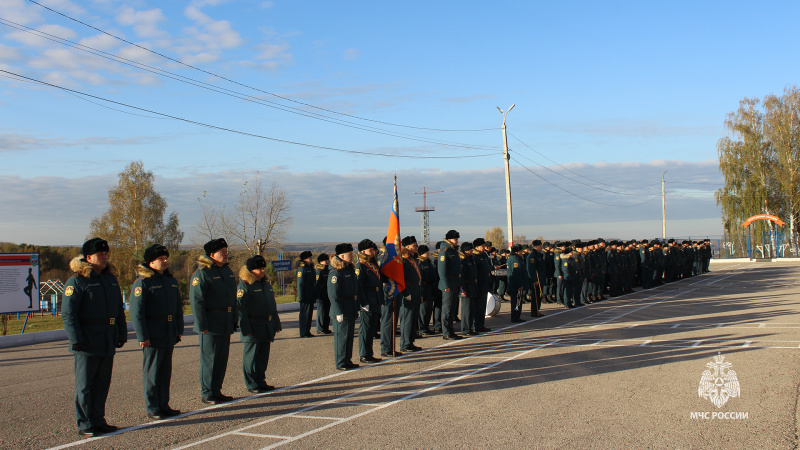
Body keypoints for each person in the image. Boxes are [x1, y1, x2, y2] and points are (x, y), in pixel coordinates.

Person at [62, 237, 127, 436]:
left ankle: (98, 419)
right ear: (88, 257)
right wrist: (76, 338)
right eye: (100, 254)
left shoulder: (110, 279)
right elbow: (68, 313)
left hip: (106, 338)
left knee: (102, 383)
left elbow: (118, 309)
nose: (104, 257)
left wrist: (121, 332)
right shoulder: (77, 281)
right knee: (85, 384)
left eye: (106, 253)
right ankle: (85, 423)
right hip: (87, 340)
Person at [130, 244, 184, 421]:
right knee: (152, 372)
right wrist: (142, 336)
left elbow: (178, 308)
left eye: (165, 258)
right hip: (153, 333)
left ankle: (163, 404)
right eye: (161, 259)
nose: (165, 261)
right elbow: (137, 312)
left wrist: (178, 329)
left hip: (168, 331)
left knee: (165, 371)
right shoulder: (143, 283)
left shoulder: (170, 281)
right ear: (151, 262)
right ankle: (153, 407)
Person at [190, 238, 237, 405]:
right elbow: (197, 302)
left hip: (225, 321)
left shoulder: (227, 271)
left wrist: (234, 319)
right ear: (211, 255)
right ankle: (207, 391)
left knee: (221, 358)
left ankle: (217, 390)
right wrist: (202, 324)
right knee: (210, 359)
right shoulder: (202, 273)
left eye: (226, 252)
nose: (225, 255)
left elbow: (233, 299)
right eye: (221, 252)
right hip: (210, 322)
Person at [237, 255, 282, 393]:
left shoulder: (265, 284)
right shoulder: (245, 286)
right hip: (253, 324)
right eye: (259, 269)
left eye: (263, 268)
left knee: (262, 355)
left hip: (266, 324)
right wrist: (245, 328)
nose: (262, 271)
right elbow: (241, 309)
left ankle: (260, 380)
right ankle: (251, 383)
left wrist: (276, 324)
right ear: (251, 270)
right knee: (252, 356)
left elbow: (272, 306)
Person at [328, 243, 360, 371]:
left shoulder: (349, 270)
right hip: (341, 308)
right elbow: (333, 295)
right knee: (342, 337)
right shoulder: (336, 273)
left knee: (349, 336)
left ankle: (347, 359)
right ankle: (341, 362)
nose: (351, 256)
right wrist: (338, 312)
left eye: (352, 253)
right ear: (341, 256)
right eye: (349, 254)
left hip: (350, 307)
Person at [355, 239, 382, 363]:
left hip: (375, 298)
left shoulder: (373, 263)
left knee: (372, 329)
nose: (373, 252)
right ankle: (364, 354)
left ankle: (369, 353)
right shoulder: (360, 265)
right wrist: (363, 303)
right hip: (367, 299)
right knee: (365, 328)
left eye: (373, 249)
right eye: (370, 250)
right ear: (363, 251)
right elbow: (359, 286)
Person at [438, 230, 463, 340]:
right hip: (448, 284)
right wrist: (445, 285)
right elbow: (442, 271)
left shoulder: (454, 251)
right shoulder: (445, 251)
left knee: (452, 308)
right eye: (455, 239)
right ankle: (446, 332)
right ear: (449, 240)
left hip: (455, 283)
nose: (457, 241)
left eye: (457, 239)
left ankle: (451, 330)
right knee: (447, 309)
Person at [400, 236, 423, 351]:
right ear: (407, 247)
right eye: (414, 245)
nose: (416, 247)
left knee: (413, 318)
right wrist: (406, 293)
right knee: (407, 318)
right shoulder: (403, 260)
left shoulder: (413, 259)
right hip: (408, 291)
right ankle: (405, 343)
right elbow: (402, 279)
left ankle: (410, 341)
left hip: (416, 290)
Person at [417, 245, 439, 335]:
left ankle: (426, 326)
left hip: (430, 288)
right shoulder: (419, 263)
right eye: (426, 252)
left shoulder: (428, 262)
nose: (428, 253)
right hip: (424, 289)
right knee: (423, 310)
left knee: (429, 310)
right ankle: (422, 328)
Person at [472, 238, 493, 332]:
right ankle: (475, 325)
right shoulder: (475, 256)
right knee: (477, 306)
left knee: (482, 306)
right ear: (477, 247)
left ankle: (481, 324)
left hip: (485, 282)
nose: (484, 247)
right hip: (479, 282)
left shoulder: (484, 255)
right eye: (482, 246)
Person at [459, 241, 478, 335]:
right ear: (466, 251)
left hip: (472, 286)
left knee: (471, 309)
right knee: (466, 310)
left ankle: (470, 328)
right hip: (466, 286)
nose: (472, 251)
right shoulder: (463, 261)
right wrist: (462, 289)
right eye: (470, 249)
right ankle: (465, 329)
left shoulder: (471, 259)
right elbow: (461, 276)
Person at [296, 251, 316, 338]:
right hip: (305, 294)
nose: (311, 259)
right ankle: (303, 332)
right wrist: (301, 297)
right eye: (309, 258)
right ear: (304, 259)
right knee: (304, 314)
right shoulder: (302, 269)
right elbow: (300, 284)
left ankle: (307, 330)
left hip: (311, 293)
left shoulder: (311, 268)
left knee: (309, 314)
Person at [506, 244, 527, 322]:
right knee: (516, 301)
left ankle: (516, 316)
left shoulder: (514, 258)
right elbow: (516, 273)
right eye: (521, 251)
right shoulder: (515, 259)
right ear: (518, 252)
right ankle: (515, 317)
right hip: (515, 284)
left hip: (514, 284)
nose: (522, 252)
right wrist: (520, 284)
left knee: (517, 300)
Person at [315, 254, 332, 335]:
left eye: (327, 260)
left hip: (327, 294)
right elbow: (317, 285)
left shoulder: (328, 270)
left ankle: (325, 327)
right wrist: (318, 295)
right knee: (321, 312)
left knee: (327, 312)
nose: (327, 261)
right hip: (321, 295)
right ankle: (320, 328)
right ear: (320, 262)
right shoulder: (319, 271)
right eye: (325, 260)